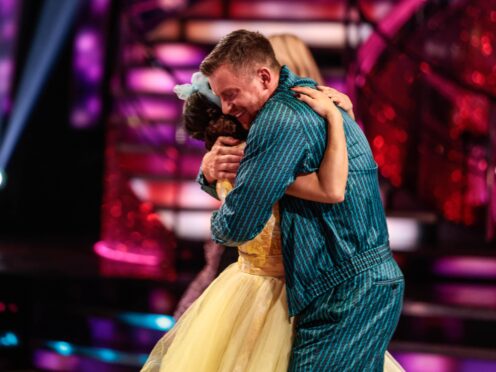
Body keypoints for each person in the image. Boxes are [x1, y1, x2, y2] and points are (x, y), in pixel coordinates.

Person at [141, 72, 403, 371]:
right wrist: (337, 120)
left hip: (244, 292)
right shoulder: (266, 160)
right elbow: (331, 188)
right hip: (292, 292)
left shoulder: (229, 157)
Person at [199, 30, 404, 371]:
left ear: (265, 76)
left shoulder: (279, 120)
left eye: (231, 94)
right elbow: (328, 188)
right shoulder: (311, 100)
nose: (226, 107)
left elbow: (237, 226)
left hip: (343, 289)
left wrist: (226, 209)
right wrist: (215, 175)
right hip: (351, 283)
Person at [173, 33, 356, 319]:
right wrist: (209, 172)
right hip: (248, 262)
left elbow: (333, 190)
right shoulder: (249, 128)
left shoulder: (309, 121)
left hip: (298, 271)